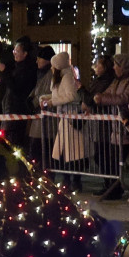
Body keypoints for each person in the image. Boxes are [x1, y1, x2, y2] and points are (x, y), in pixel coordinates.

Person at [92, 53, 129, 198]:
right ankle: (111, 186)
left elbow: (125, 98)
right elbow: (108, 93)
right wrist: (101, 96)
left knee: (119, 160)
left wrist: (103, 99)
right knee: (108, 159)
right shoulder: (117, 81)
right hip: (116, 128)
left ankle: (118, 189)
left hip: (128, 126)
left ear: (123, 66)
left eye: (116, 65)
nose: (114, 67)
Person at [40, 51, 85, 190]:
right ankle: (68, 179)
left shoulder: (67, 78)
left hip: (70, 118)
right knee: (64, 151)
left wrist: (52, 102)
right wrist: (47, 98)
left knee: (72, 152)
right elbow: (59, 95)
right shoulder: (60, 78)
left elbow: (70, 96)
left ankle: (74, 181)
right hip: (64, 118)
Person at [27, 45, 56, 165]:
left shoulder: (51, 75)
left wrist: (33, 102)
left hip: (46, 123)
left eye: (40, 58)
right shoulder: (41, 74)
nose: (37, 61)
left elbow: (45, 94)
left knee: (41, 154)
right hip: (39, 121)